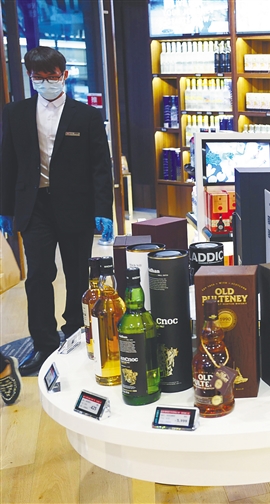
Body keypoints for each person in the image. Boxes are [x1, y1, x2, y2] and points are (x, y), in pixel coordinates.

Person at [0, 47, 113, 376]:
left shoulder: (86, 116)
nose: (46, 82)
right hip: (34, 206)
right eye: (38, 77)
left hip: (76, 206)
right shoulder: (15, 112)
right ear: (30, 77)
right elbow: (8, 161)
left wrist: (103, 209)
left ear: (64, 75)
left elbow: (100, 167)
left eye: (52, 76)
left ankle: (76, 334)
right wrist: (5, 209)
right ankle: (44, 344)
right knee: (38, 275)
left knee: (77, 275)